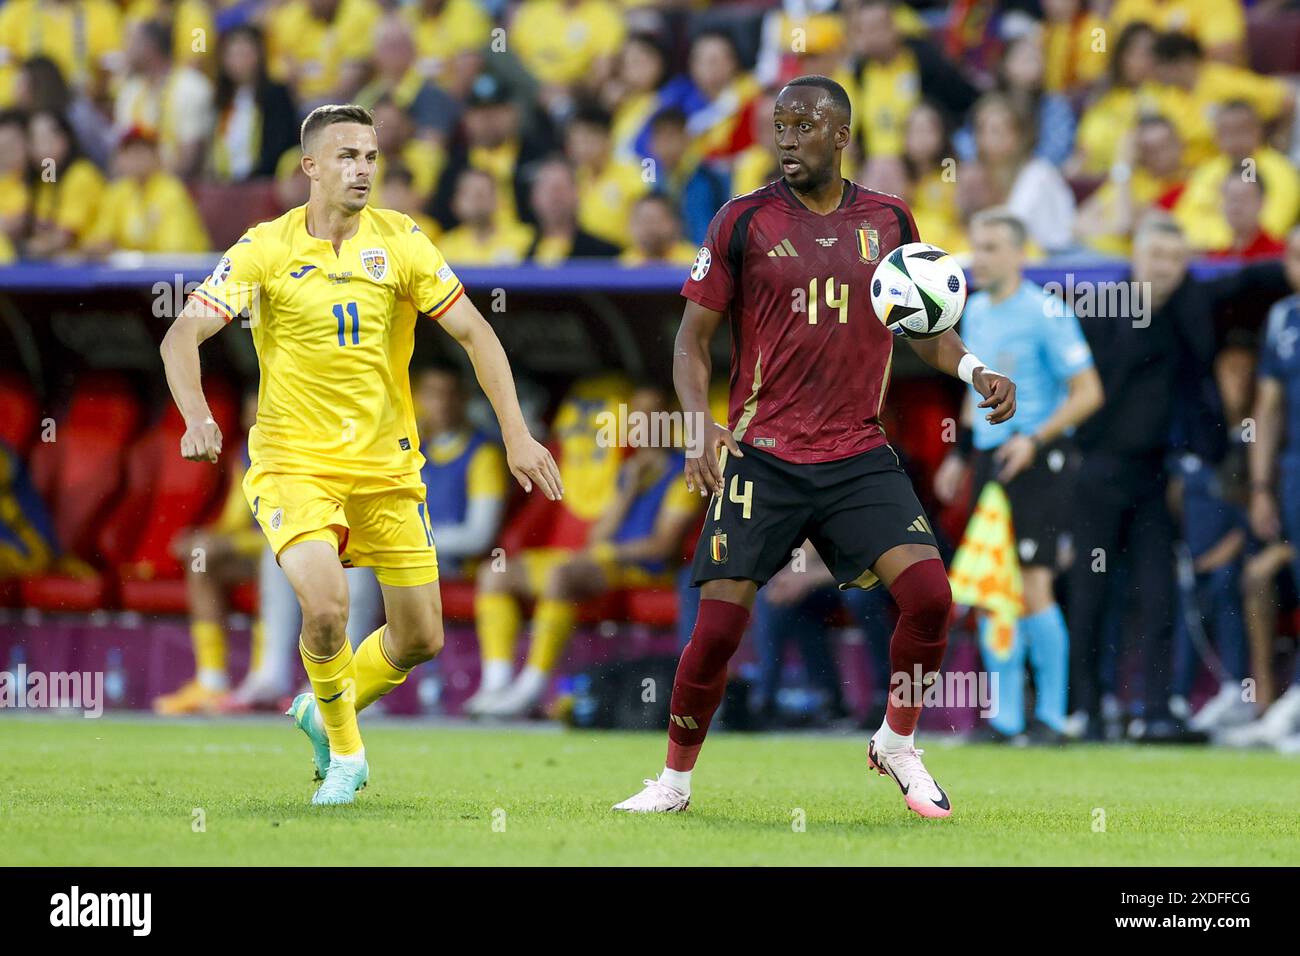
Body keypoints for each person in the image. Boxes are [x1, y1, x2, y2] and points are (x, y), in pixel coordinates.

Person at [612, 76, 1017, 818]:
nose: (787, 136)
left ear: (842, 135)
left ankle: (897, 741)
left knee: (931, 598)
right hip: (763, 456)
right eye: (780, 124)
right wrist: (700, 426)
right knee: (718, 631)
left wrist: (973, 367)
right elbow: (690, 342)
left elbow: (921, 322)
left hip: (857, 453)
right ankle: (673, 780)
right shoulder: (742, 220)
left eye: (805, 124)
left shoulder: (890, 218)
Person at [159, 103, 561, 805]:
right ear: (310, 166)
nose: (364, 169)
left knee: (419, 638)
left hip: (388, 468)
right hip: (293, 465)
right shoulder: (264, 248)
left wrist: (517, 432)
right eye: (348, 156)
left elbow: (475, 334)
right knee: (326, 608)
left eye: (372, 157)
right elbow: (180, 337)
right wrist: (196, 415)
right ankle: (346, 756)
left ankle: (322, 708)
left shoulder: (402, 241)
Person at [1067, 215, 1290, 742]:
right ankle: (1086, 711)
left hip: (1154, 476)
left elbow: (1254, 277)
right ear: (1135, 258)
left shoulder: (1193, 303)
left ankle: (1157, 709)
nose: (1165, 269)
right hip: (1097, 470)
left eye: (1175, 259)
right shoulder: (1098, 309)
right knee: (1092, 592)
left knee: (1161, 591)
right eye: (1156, 257)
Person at [935, 209, 1103, 743]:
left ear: (1018, 254)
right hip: (990, 460)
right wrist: (959, 455)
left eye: (990, 248)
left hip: (1038, 460)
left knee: (1033, 586)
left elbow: (1089, 393)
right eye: (976, 247)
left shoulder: (1047, 313)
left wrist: (1034, 438)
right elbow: (972, 390)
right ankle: (1006, 719)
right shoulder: (976, 312)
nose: (979, 259)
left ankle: (1052, 717)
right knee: (991, 587)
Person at [473, 382, 702, 718]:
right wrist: (628, 492)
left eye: (651, 415)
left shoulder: (684, 474)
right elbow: (599, 534)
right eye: (635, 416)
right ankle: (496, 682)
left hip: (640, 572)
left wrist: (609, 552)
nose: (641, 424)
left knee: (562, 576)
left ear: (670, 421)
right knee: (495, 573)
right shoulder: (629, 470)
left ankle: (532, 686)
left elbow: (661, 545)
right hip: (602, 561)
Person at [1235, 227, 1300, 748]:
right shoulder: (1283, 318)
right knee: (1260, 577)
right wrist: (1260, 485)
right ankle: (1263, 701)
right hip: (1292, 471)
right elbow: (1269, 407)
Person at [414, 361, 508, 578]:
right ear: (420, 398)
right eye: (433, 394)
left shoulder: (483, 454)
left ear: (465, 397)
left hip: (458, 565)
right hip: (418, 556)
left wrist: (406, 543)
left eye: (450, 394)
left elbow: (478, 537)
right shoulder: (417, 449)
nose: (441, 403)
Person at [209, 25, 299, 182]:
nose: (239, 61)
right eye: (233, 55)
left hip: (264, 180)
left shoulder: (276, 93)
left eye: (245, 54)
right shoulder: (222, 99)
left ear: (259, 55)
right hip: (227, 181)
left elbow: (279, 143)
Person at [524, 157, 620, 263]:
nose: (555, 197)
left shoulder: (605, 255)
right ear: (533, 197)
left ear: (578, 193)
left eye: (561, 189)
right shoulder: (519, 250)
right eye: (547, 189)